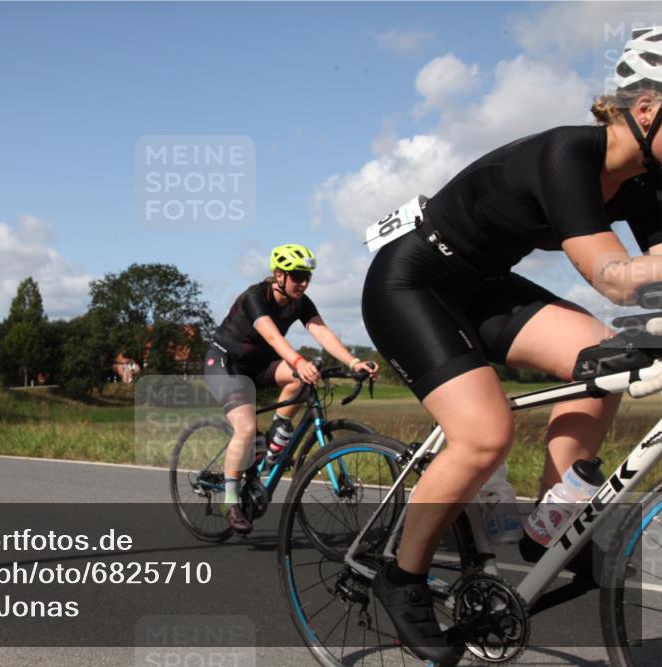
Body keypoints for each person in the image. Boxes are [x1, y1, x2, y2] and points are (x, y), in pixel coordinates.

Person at [361, 26, 662, 665]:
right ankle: (402, 578)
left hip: (486, 287)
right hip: (412, 282)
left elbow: (655, 274)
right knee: (486, 433)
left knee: (605, 357)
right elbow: (614, 277)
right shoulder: (568, 156)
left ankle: (550, 533)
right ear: (646, 109)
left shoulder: (645, 179)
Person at [204, 243, 378, 534]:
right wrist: (298, 360)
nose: (304, 282)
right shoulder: (254, 297)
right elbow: (272, 337)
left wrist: (354, 361)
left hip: (260, 365)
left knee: (301, 380)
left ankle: (275, 441)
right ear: (278, 275)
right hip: (226, 364)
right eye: (297, 276)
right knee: (246, 429)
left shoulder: (300, 301)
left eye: (307, 276)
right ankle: (231, 500)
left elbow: (321, 331)